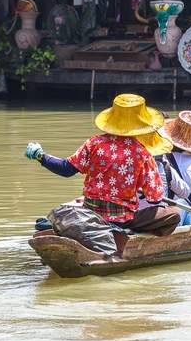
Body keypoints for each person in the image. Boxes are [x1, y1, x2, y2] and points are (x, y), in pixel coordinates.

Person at [25, 94, 180, 235]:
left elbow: (66, 169)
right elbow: (154, 197)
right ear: (140, 124)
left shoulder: (94, 143)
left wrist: (41, 156)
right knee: (174, 214)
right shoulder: (142, 153)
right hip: (123, 218)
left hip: (90, 214)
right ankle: (126, 232)